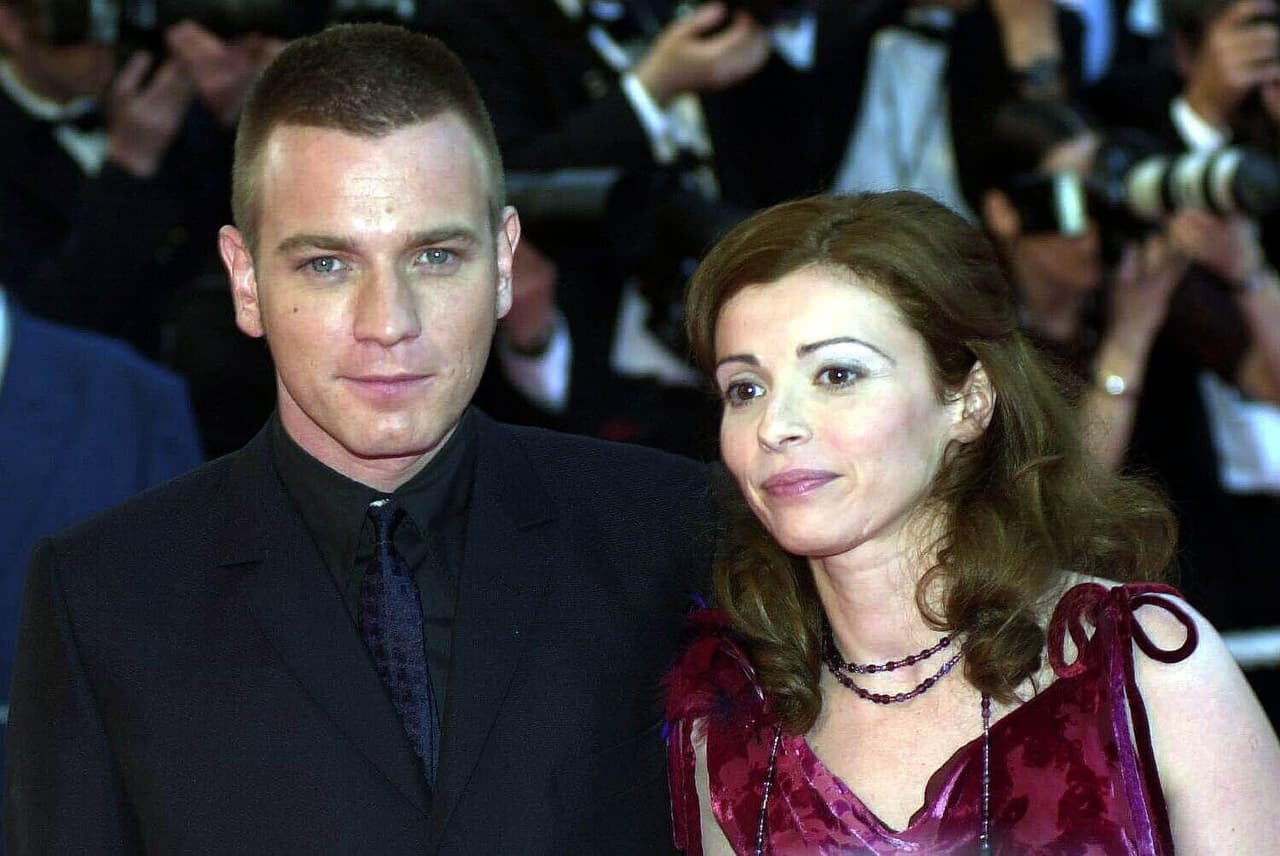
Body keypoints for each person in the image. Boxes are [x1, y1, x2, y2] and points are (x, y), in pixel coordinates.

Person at [4, 23, 714, 853]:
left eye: (435, 256)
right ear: (245, 280)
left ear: (501, 262)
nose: (388, 323)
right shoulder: (104, 596)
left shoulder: (671, 533)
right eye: (328, 265)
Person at [665, 191, 1280, 853]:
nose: (776, 426)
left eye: (837, 374)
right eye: (745, 389)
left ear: (969, 400)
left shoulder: (1142, 664)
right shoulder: (728, 729)